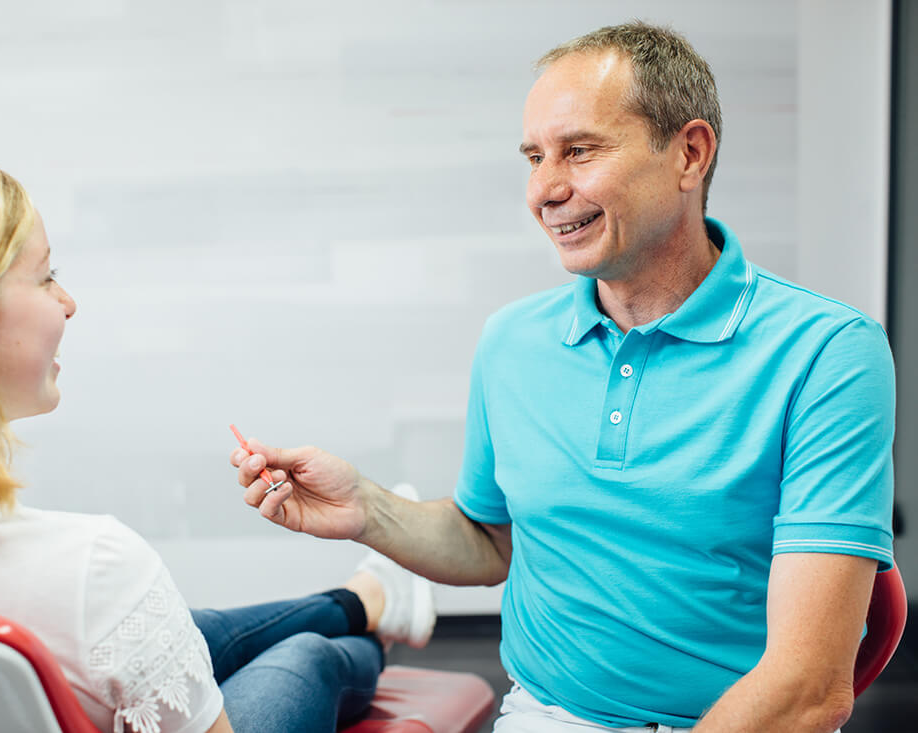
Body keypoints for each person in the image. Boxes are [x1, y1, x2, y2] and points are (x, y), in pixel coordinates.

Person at [231, 21, 895, 733]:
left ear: (689, 154)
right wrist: (366, 507)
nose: (544, 189)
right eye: (534, 157)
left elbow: (809, 687)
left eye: (579, 151)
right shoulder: (512, 341)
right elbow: (492, 542)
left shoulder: (828, 352)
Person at [0, 161, 437, 733]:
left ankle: (368, 600)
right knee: (307, 656)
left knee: (186, 633)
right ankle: (366, 621)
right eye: (46, 277)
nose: (69, 302)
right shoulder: (94, 567)